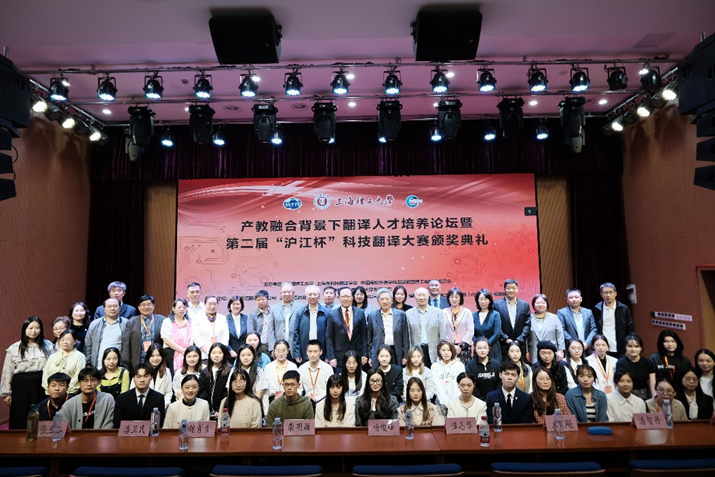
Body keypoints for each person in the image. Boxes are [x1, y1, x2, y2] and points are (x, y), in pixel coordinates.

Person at [1, 316, 54, 429]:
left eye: (37, 328)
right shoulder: (14, 348)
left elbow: (54, 366)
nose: (34, 331)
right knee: (20, 415)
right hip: (20, 386)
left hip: (41, 384)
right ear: (24, 329)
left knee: (41, 413)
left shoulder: (48, 345)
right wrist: (7, 393)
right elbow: (7, 371)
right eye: (30, 328)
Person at [326, 287, 368, 372]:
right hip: (339, 356)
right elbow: (329, 338)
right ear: (339, 298)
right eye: (343, 296)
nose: (346, 299)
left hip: (357, 355)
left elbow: (364, 335)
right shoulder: (332, 314)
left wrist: (364, 354)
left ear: (352, 297)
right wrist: (331, 357)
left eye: (348, 296)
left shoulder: (360, 313)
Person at [114, 362, 166, 427]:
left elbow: (159, 424)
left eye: (146, 376)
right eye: (138, 377)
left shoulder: (158, 398)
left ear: (151, 377)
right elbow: (117, 424)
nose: (142, 380)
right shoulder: (122, 398)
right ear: (133, 378)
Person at [405, 287, 447, 368]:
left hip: (434, 350)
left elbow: (442, 334)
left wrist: (442, 350)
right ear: (415, 297)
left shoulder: (438, 312)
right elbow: (408, 336)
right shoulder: (408, 314)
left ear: (428, 296)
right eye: (419, 295)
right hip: (416, 351)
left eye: (424, 295)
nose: (421, 298)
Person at [122, 294, 166, 369]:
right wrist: (126, 365)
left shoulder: (162, 320)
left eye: (149, 304)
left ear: (153, 306)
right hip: (137, 361)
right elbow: (126, 345)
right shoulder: (131, 322)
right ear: (139, 307)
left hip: (156, 361)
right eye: (143, 305)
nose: (146, 307)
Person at [367, 288, 409, 367]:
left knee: (397, 373)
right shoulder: (372, 316)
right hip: (378, 353)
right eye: (382, 299)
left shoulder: (401, 315)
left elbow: (405, 338)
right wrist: (370, 356)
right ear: (378, 301)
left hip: (396, 353)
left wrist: (405, 355)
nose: (385, 301)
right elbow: (369, 339)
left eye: (387, 299)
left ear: (392, 300)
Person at [592, 282, 635, 358]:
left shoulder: (623, 308)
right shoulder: (597, 308)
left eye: (610, 292)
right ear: (601, 294)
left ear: (615, 293)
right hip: (603, 348)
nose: (608, 295)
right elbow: (594, 328)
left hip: (620, 347)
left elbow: (630, 328)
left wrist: (629, 346)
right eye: (605, 292)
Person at [85, 297, 129, 369]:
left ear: (120, 308)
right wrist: (88, 363)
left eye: (115, 306)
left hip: (118, 365)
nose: (112, 308)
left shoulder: (127, 323)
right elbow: (88, 344)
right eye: (109, 306)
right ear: (104, 309)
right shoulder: (95, 324)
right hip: (97, 365)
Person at [494, 279, 531, 359]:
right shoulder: (496, 304)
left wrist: (519, 340)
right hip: (503, 345)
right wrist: (506, 339)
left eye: (514, 288)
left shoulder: (524, 305)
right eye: (508, 288)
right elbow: (495, 325)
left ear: (517, 289)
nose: (511, 290)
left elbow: (527, 324)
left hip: (520, 345)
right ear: (504, 289)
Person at [42, 330, 85, 396]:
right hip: (51, 393)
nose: (65, 342)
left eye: (68, 340)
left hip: (70, 394)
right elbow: (45, 373)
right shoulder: (53, 356)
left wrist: (66, 391)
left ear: (75, 341)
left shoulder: (80, 356)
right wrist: (49, 388)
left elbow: (78, 376)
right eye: (62, 340)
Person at [293, 285, 329, 363]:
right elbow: (296, 334)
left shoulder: (326, 312)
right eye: (310, 294)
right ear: (305, 295)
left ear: (319, 295)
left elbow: (330, 335)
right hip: (305, 352)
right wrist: (297, 353)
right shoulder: (300, 312)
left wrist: (328, 355)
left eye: (315, 294)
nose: (312, 297)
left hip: (322, 352)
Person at [615, 333, 656, 400]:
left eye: (636, 346)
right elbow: (620, 382)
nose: (633, 349)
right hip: (626, 395)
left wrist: (655, 398)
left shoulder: (648, 362)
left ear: (641, 348)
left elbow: (653, 383)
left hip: (644, 395)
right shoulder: (620, 363)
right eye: (630, 346)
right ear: (625, 347)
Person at [268, 282, 303, 358]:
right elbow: (270, 330)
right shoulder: (273, 309)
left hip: (295, 349)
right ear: (280, 293)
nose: (286, 294)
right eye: (284, 292)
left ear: (293, 293)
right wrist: (272, 348)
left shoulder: (301, 307)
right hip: (279, 348)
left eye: (289, 292)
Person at [528, 294, 565, 364]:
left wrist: (561, 350)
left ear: (547, 304)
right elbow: (526, 337)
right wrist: (527, 351)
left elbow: (560, 335)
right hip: (534, 352)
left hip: (551, 351)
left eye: (543, 303)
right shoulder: (529, 318)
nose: (540, 305)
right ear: (533, 304)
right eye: (538, 303)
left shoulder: (554, 318)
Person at [199, 342, 232, 419]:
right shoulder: (204, 372)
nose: (216, 355)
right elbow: (202, 392)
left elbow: (227, 393)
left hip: (224, 410)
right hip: (207, 410)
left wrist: (220, 409)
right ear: (210, 355)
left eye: (220, 353)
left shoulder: (230, 371)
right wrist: (208, 408)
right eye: (213, 353)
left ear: (224, 354)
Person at [192, 295, 229, 363]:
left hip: (220, 356)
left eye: (214, 304)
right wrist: (209, 353)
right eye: (209, 304)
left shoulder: (222, 318)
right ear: (204, 304)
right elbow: (197, 338)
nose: (212, 306)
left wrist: (219, 352)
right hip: (204, 356)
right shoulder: (198, 318)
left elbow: (225, 337)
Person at [262, 340, 298, 409]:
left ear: (288, 351)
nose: (281, 354)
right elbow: (265, 391)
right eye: (278, 351)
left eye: (284, 351)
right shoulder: (268, 367)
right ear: (274, 351)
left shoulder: (293, 366)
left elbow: (297, 388)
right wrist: (266, 410)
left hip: (289, 401)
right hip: (272, 401)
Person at [161, 298, 194, 373]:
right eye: (179, 307)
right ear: (173, 308)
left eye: (184, 307)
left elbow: (192, 338)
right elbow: (166, 340)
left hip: (187, 353)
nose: (182, 309)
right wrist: (182, 350)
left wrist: (188, 350)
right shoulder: (167, 322)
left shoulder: (190, 322)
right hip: (171, 353)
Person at [298, 339, 334, 404]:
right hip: (307, 402)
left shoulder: (327, 368)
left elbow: (331, 388)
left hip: (324, 402)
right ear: (306, 352)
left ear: (321, 352)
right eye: (310, 351)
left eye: (315, 351)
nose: (312, 354)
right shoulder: (301, 369)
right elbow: (299, 389)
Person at [443, 287, 474, 364]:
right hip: (448, 348)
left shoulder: (467, 312)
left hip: (465, 348)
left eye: (456, 297)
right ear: (448, 298)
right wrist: (452, 346)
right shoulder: (443, 312)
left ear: (460, 298)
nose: (454, 299)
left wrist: (461, 346)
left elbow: (470, 330)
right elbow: (442, 331)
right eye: (451, 297)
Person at [472, 289, 502, 363]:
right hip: (478, 350)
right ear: (477, 300)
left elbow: (497, 333)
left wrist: (486, 345)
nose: (483, 301)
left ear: (489, 300)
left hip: (493, 348)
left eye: (485, 299)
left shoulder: (495, 314)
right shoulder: (473, 315)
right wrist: (478, 345)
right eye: (481, 299)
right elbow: (471, 333)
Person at [432, 340, 465, 406]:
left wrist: (453, 402)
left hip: (456, 403)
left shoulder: (459, 365)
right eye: (443, 350)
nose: (446, 353)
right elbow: (436, 385)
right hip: (440, 403)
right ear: (439, 351)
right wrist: (445, 402)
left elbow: (459, 384)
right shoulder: (435, 366)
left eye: (449, 350)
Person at [247, 290, 272, 357]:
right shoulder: (252, 315)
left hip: (273, 347)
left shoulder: (274, 312)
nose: (260, 302)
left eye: (263, 299)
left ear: (268, 299)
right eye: (258, 300)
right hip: (259, 347)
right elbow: (250, 332)